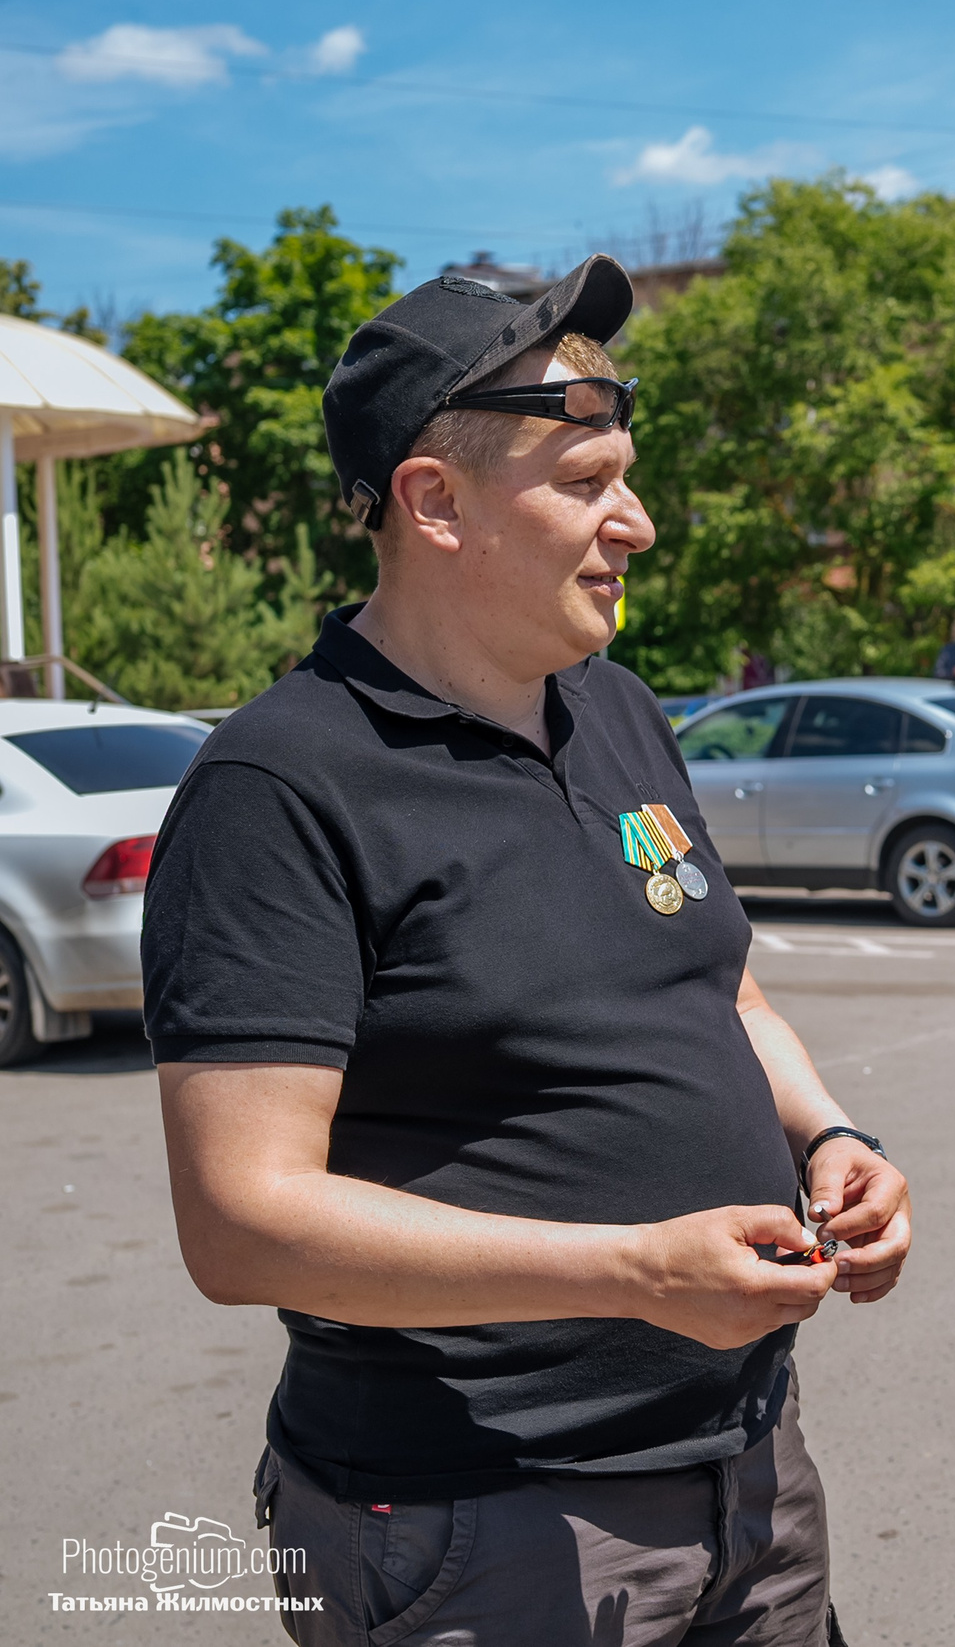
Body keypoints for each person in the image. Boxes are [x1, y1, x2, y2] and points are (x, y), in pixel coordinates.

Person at [144, 256, 913, 1645]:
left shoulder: (615, 706)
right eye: (587, 481)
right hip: (475, 1524)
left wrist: (828, 1132)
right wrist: (630, 1270)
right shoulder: (281, 782)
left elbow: (718, 983)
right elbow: (238, 1218)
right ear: (433, 503)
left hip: (749, 1474)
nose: (642, 522)